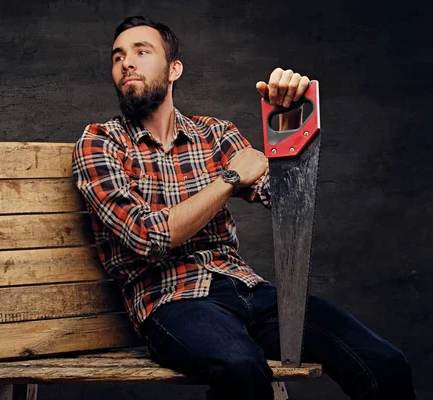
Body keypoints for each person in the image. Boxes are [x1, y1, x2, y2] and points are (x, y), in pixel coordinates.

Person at [71, 15, 416, 400]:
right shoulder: (100, 142)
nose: (127, 63)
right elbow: (149, 236)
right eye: (118, 56)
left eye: (141, 51)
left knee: (385, 363)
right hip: (173, 302)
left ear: (174, 69)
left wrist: (288, 119)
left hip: (249, 291)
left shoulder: (216, 133)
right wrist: (230, 179)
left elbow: (287, 200)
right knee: (242, 369)